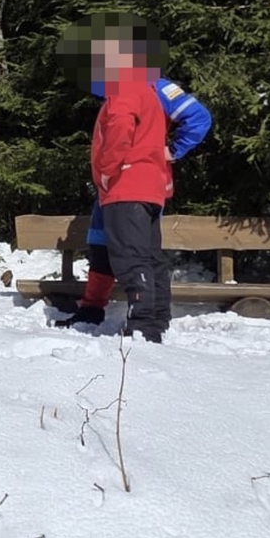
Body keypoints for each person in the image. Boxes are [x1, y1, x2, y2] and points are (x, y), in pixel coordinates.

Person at [54, 73, 210, 330]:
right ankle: (93, 309)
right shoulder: (123, 88)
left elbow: (198, 117)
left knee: (135, 254)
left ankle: (147, 322)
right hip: (116, 186)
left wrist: (172, 150)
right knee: (101, 245)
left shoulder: (154, 86)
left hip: (131, 182)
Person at [84, 28, 174, 342]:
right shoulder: (149, 92)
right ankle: (158, 318)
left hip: (127, 184)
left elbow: (120, 125)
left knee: (130, 257)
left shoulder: (125, 88)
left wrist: (108, 170)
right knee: (151, 257)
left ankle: (144, 325)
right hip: (150, 187)